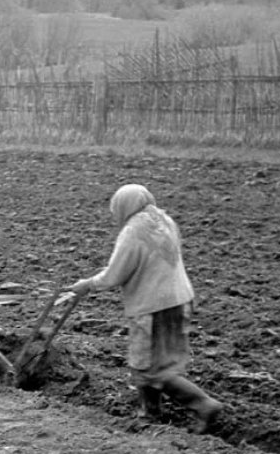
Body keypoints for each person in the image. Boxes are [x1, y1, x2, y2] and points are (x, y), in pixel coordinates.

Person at [66, 183, 223, 433]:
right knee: (160, 362)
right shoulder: (165, 221)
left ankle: (203, 405)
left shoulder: (133, 231)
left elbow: (115, 275)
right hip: (180, 300)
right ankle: (150, 412)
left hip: (154, 305)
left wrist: (88, 284)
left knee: (148, 365)